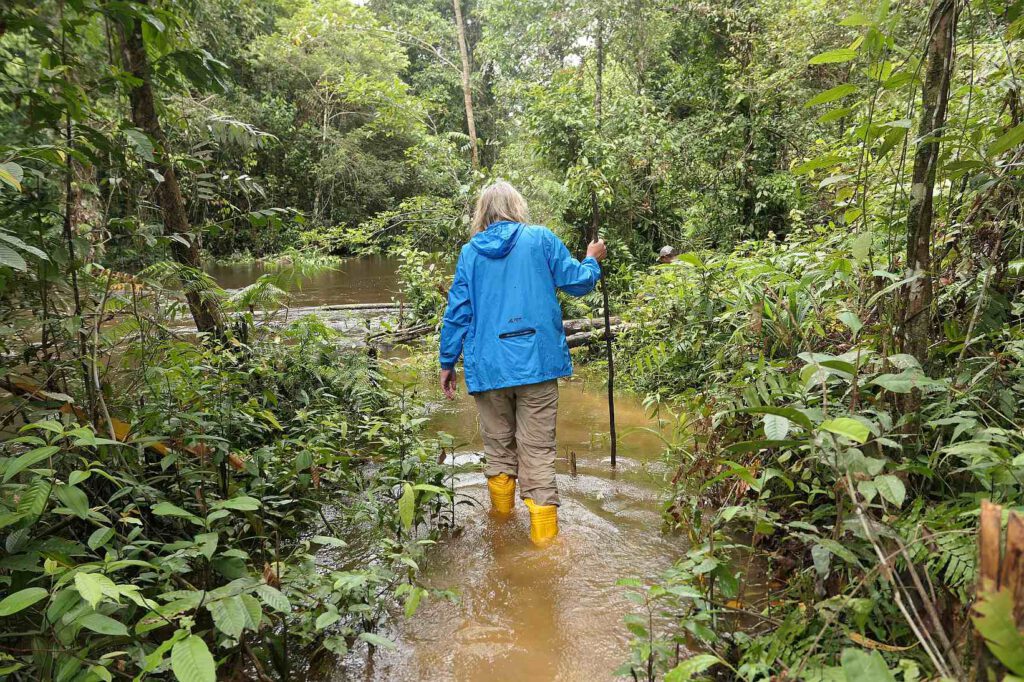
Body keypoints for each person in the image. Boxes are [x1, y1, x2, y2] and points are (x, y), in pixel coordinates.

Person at [438, 181, 607, 546]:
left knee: (498, 452)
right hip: (538, 365)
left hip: (490, 369)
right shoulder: (541, 239)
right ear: (517, 207)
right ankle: (545, 552)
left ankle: (500, 530)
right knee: (538, 455)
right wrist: (592, 259)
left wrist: (447, 361)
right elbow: (577, 282)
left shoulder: (470, 253)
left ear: (482, 212)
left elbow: (458, 311)